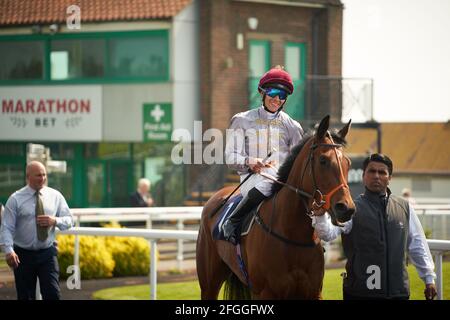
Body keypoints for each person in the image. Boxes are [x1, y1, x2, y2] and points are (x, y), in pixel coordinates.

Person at [312, 153, 437, 300]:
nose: (376, 176)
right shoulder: (352, 208)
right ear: (364, 176)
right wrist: (320, 216)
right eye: (371, 171)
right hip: (360, 293)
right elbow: (328, 234)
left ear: (389, 178)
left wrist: (429, 280)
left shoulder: (404, 207)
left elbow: (417, 244)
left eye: (382, 172)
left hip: (399, 292)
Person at [223, 65, 304, 245]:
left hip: (282, 181)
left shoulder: (293, 126)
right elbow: (229, 157)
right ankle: (233, 220)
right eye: (273, 92)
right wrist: (249, 161)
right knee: (269, 182)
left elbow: (298, 162)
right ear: (263, 92)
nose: (277, 99)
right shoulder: (242, 120)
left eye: (282, 96)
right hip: (252, 179)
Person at [0, 161, 74, 300]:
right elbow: (6, 228)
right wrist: (9, 251)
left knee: (53, 294)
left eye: (44, 175)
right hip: (23, 256)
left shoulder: (55, 196)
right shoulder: (15, 199)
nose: (43, 178)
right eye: (38, 175)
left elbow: (70, 220)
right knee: (26, 296)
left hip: (47, 253)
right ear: (28, 177)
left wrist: (55, 221)